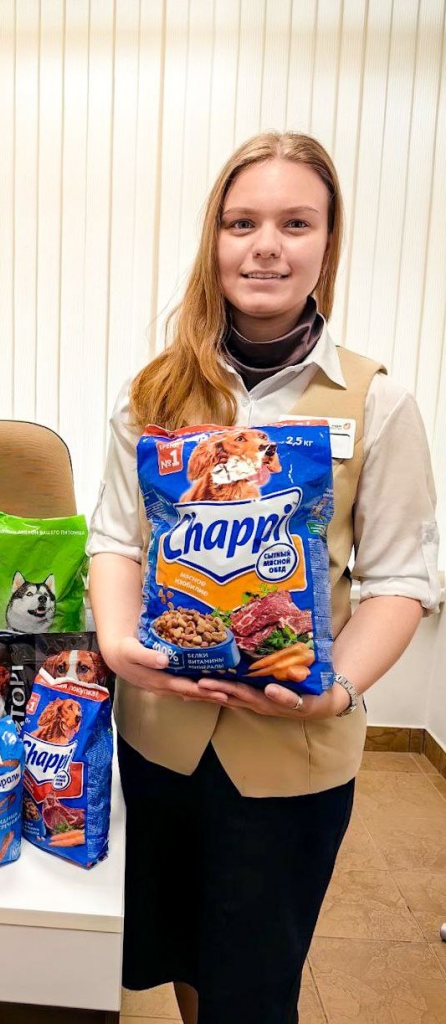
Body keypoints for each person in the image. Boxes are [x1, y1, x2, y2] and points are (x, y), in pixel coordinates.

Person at [87, 132, 439, 1024]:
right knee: (173, 955)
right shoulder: (153, 396)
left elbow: (401, 577)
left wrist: (339, 689)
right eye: (242, 222)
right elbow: (116, 540)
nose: (267, 245)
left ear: (329, 242)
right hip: (160, 741)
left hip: (293, 755)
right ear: (215, 241)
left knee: (257, 983)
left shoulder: (379, 402)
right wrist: (121, 646)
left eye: (296, 222)